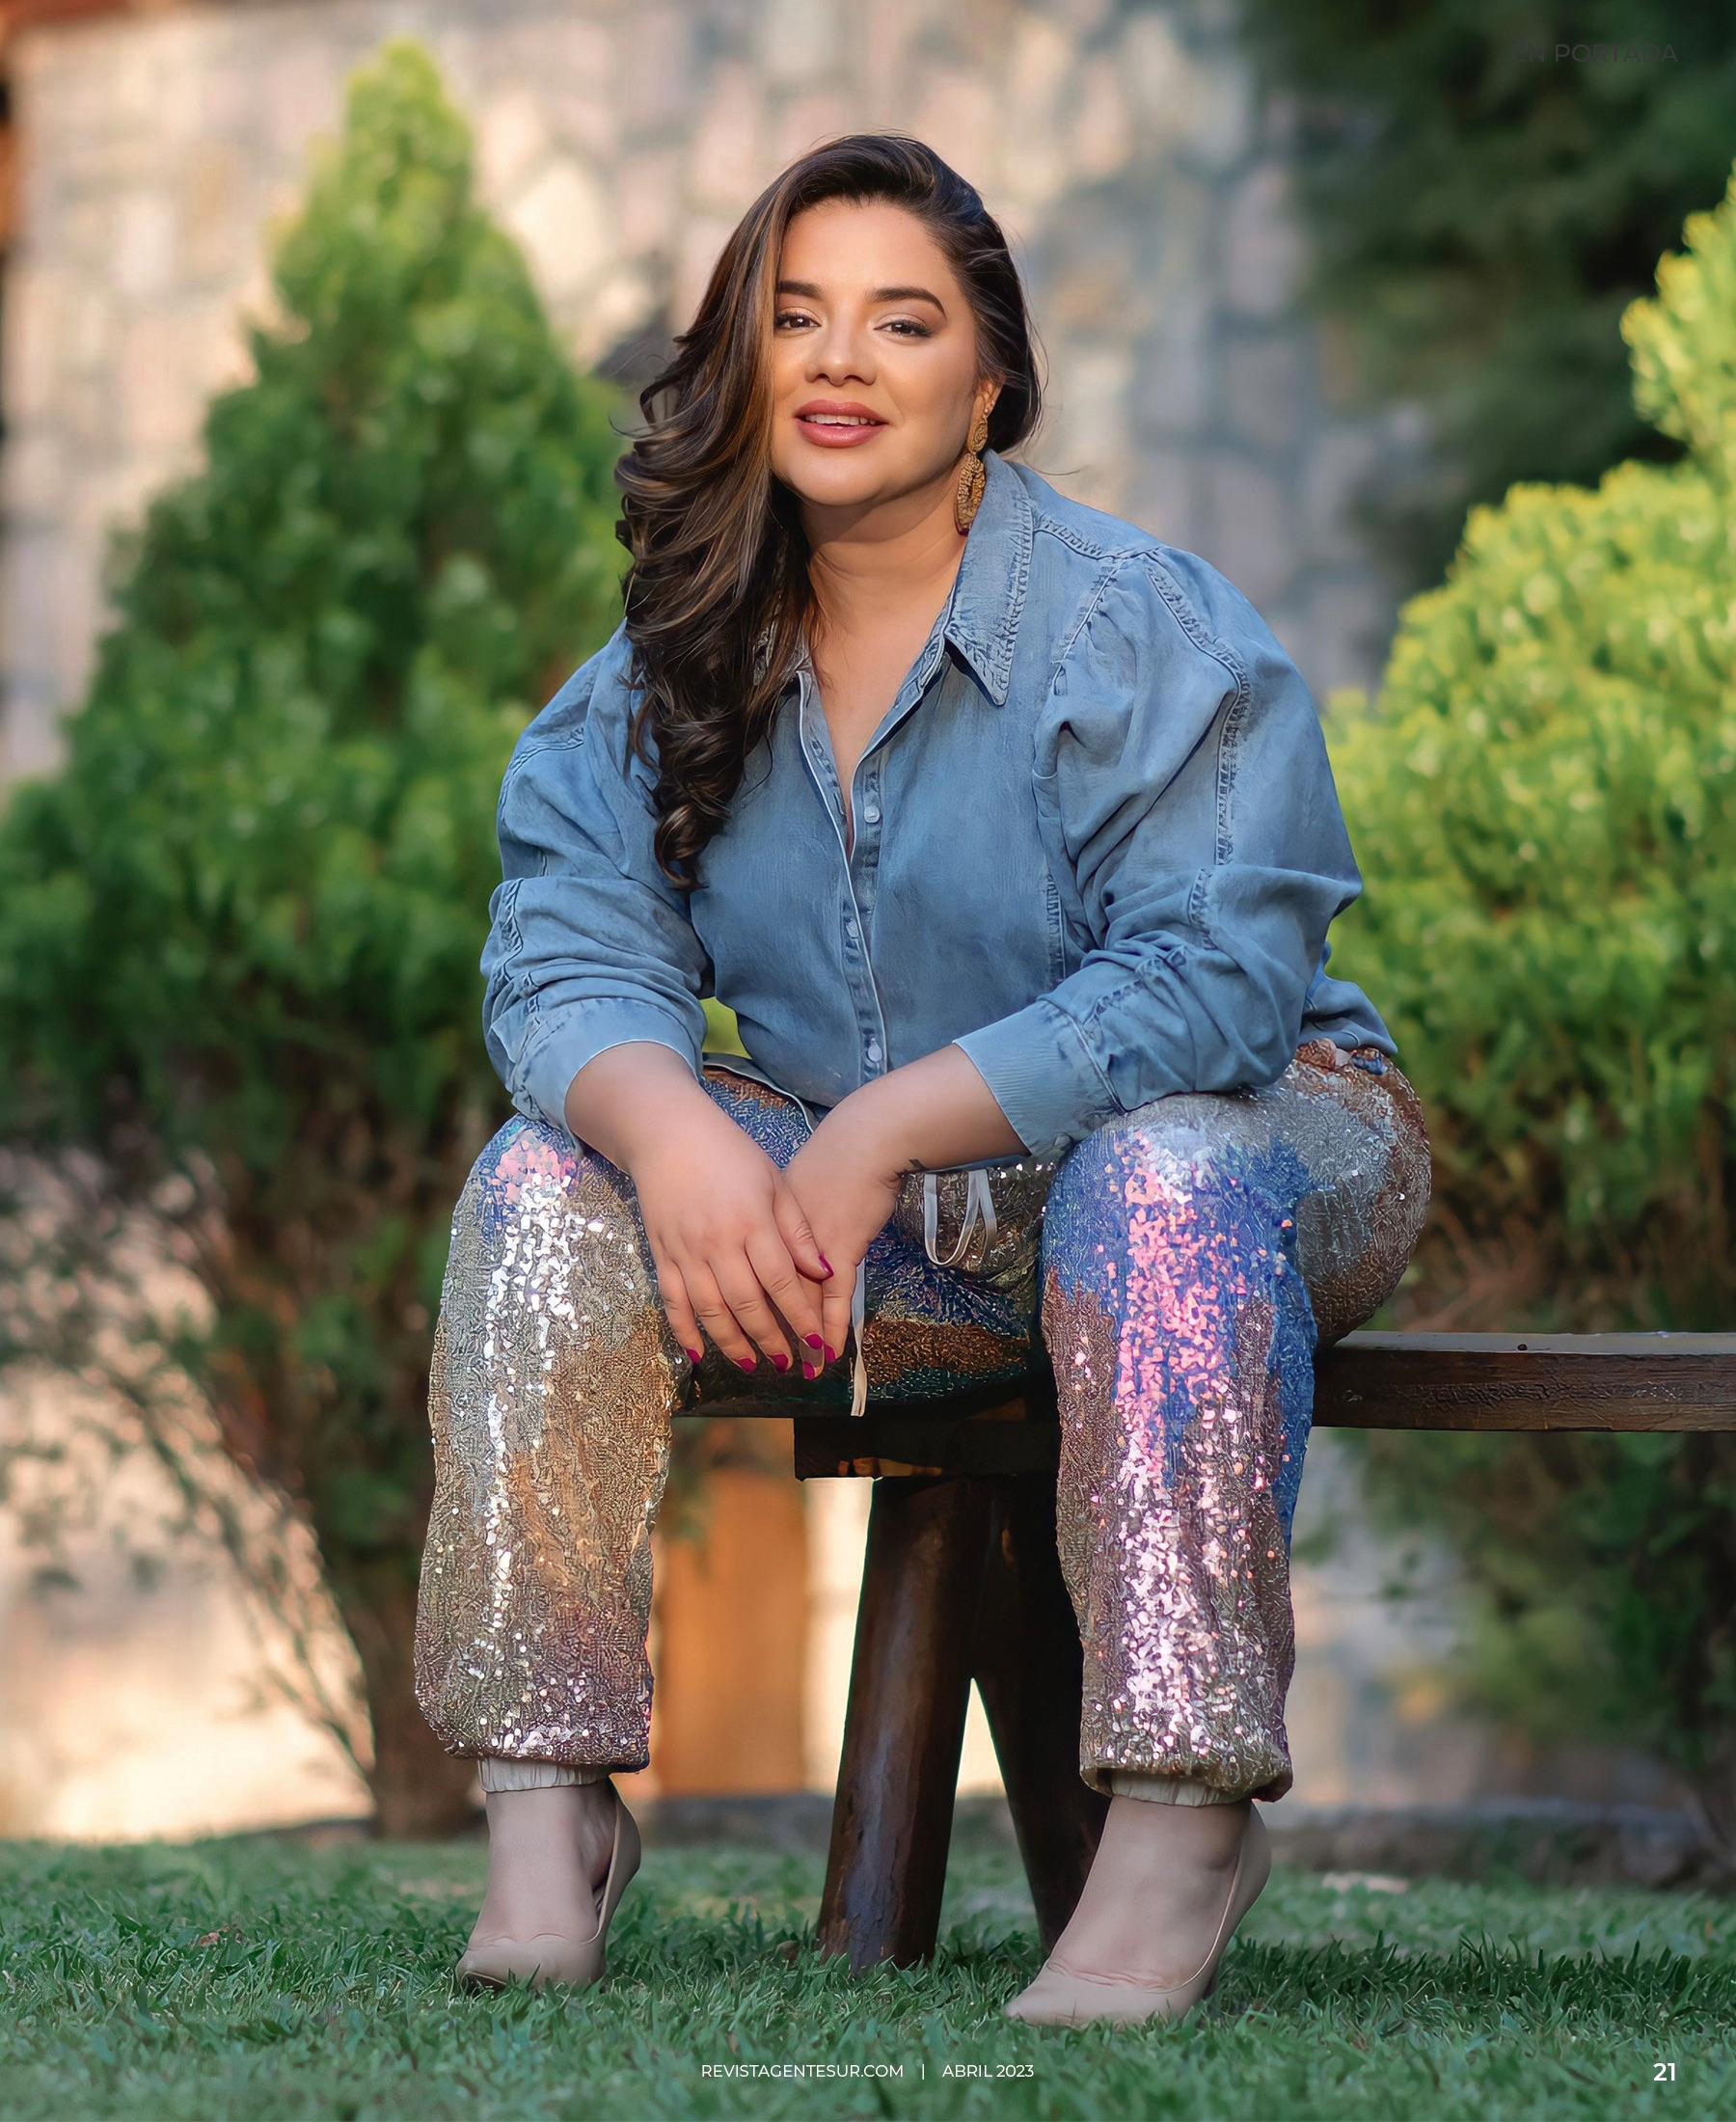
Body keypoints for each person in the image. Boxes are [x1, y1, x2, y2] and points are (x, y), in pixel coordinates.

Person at [411, 132, 1430, 2026]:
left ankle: (1185, 1812)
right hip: (869, 1214)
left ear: (990, 382)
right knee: (543, 1188)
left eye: (902, 320)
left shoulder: (1135, 624)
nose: (839, 359)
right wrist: (675, 1134)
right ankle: (545, 1812)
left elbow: (1216, 985)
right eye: (796, 315)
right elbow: (565, 948)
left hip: (1248, 1144)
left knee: (1160, 1178)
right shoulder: (676, 653)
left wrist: (886, 1121)